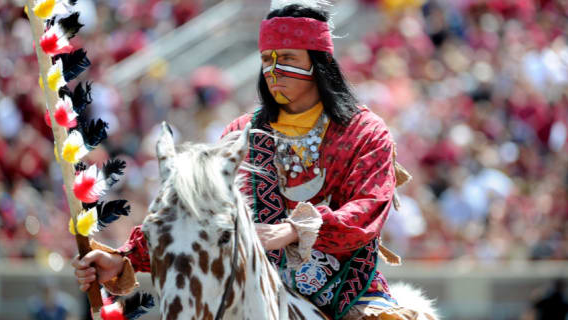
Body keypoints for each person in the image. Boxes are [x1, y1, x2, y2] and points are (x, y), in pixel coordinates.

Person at [72, 2, 430, 319]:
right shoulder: (239, 134)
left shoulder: (365, 132)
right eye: (266, 59)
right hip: (248, 288)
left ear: (318, 62)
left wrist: (293, 229)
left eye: (287, 58)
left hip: (349, 296)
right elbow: (201, 219)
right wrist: (124, 260)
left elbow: (368, 209)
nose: (273, 70)